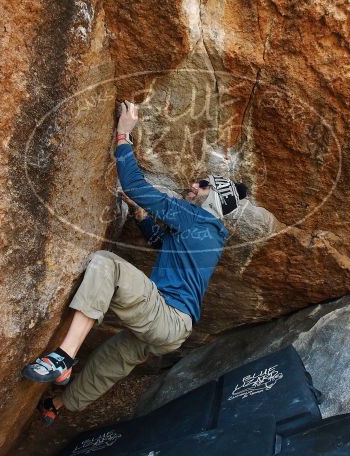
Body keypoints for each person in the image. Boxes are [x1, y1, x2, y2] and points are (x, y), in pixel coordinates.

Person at [21, 102, 248, 425]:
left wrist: (123, 133)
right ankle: (58, 404)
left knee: (106, 264)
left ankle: (63, 358)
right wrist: (142, 216)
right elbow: (162, 243)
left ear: (212, 196)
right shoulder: (208, 234)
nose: (192, 186)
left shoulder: (194, 216)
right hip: (171, 332)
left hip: (165, 315)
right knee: (110, 362)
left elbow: (136, 187)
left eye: (201, 184)